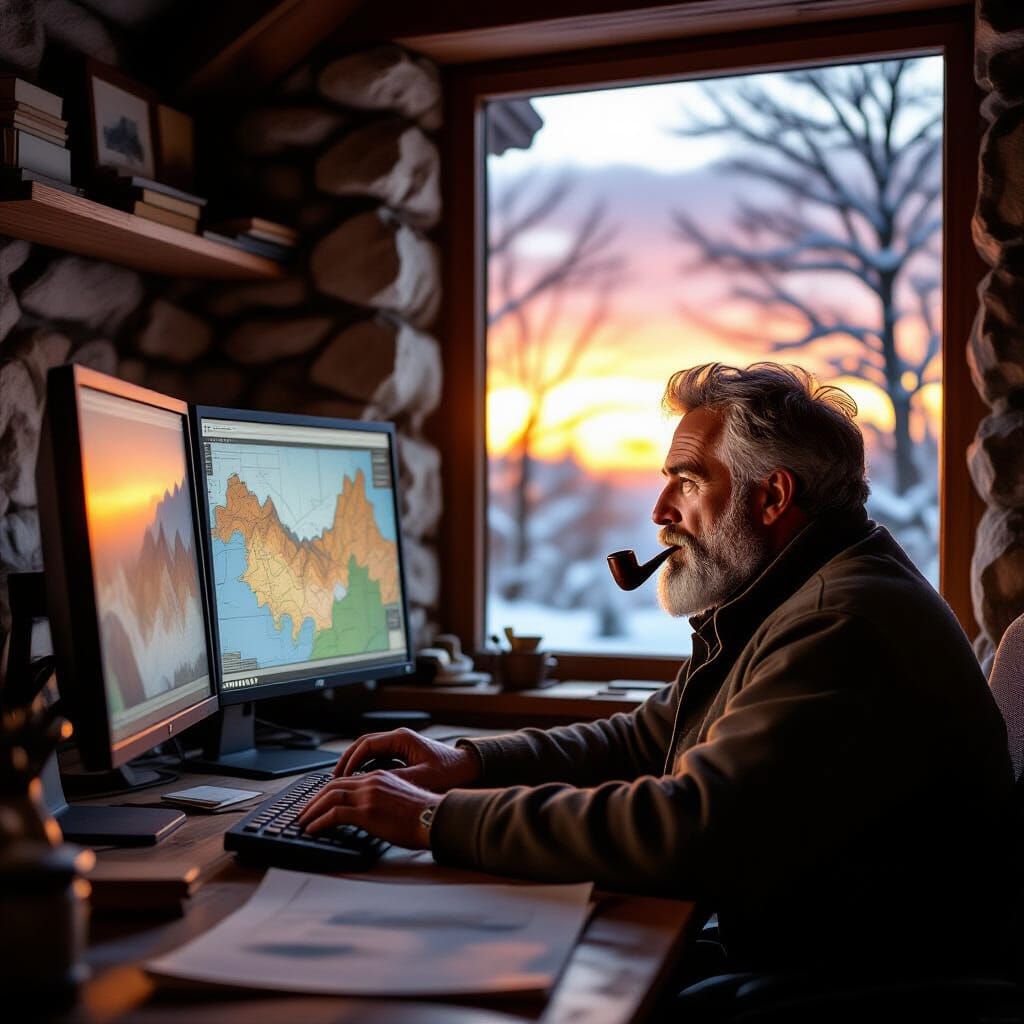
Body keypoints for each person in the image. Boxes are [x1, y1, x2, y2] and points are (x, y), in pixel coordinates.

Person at [299, 362, 1013, 974]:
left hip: (841, 989)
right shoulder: (794, 593)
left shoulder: (840, 624)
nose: (659, 509)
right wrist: (467, 766)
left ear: (772, 497)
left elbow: (688, 828)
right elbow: (650, 738)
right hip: (802, 948)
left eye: (687, 481)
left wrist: (434, 821)